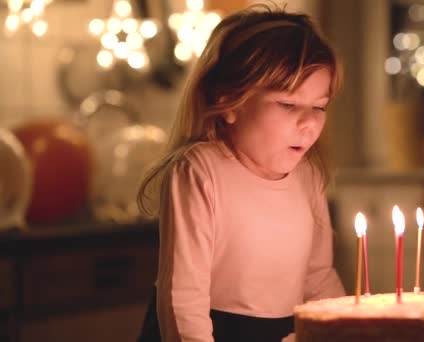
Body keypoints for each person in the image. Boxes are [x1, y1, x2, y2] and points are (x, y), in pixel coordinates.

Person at [136, 4, 345, 342]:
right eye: (288, 104)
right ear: (231, 102)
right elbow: (183, 299)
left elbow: (318, 276)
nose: (308, 123)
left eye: (319, 107)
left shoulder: (309, 176)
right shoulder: (200, 171)